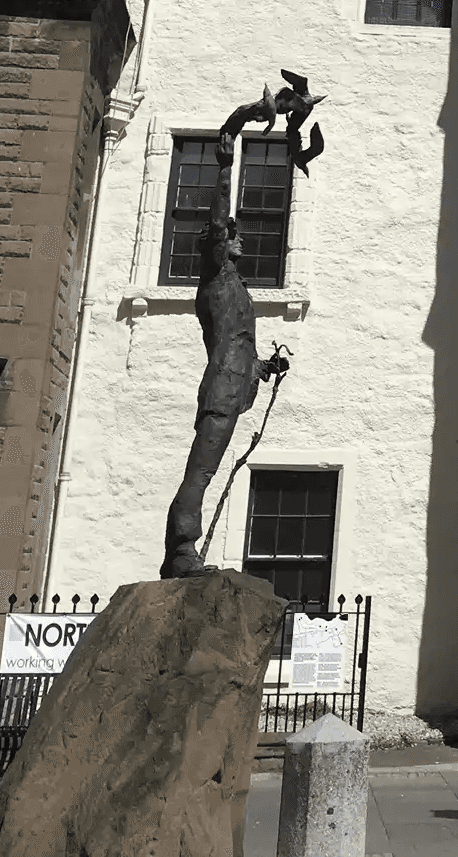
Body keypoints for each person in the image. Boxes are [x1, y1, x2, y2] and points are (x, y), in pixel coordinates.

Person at [161, 119, 289, 579]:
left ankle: (181, 549)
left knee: (208, 469)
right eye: (232, 237)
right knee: (201, 470)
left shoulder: (235, 288)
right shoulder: (215, 278)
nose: (239, 239)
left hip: (235, 389)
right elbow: (216, 222)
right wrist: (224, 167)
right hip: (220, 391)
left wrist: (264, 367)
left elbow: (237, 344)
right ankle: (181, 547)